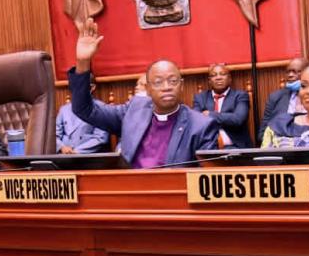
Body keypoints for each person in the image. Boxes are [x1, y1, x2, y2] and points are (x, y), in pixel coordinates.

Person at [68, 18, 218, 168]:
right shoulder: (133, 110)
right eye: (158, 82)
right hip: (130, 187)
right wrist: (83, 62)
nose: (167, 87)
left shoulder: (201, 125)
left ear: (181, 86)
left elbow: (204, 180)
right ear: (148, 89)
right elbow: (84, 109)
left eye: (173, 81)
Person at [192, 64, 251, 148]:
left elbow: (238, 119)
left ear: (230, 79)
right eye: (213, 75)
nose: (218, 77)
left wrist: (210, 114)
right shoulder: (200, 98)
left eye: (222, 74)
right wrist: (227, 118)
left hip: (234, 147)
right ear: (209, 81)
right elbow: (196, 120)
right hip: (208, 147)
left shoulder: (240, 96)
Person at [56, 73, 109, 154]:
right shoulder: (64, 109)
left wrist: (76, 152)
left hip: (88, 158)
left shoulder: (100, 108)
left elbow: (101, 138)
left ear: (92, 87)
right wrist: (62, 147)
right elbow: (55, 136)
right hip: (64, 157)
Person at [258, 58, 308, 142]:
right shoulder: (275, 97)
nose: (290, 75)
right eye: (288, 72)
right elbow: (262, 134)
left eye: (295, 71)